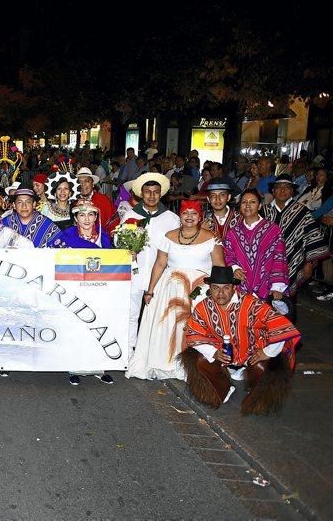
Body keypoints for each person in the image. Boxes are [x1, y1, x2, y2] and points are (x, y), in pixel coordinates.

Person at [179, 266, 301, 415]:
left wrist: (267, 352)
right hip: (223, 354)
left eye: (226, 288)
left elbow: (281, 325)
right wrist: (214, 353)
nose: (221, 293)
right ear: (210, 288)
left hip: (252, 352)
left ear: (234, 288)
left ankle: (255, 389)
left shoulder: (251, 303)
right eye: (216, 288)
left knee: (262, 367)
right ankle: (222, 387)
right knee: (201, 360)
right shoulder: (202, 307)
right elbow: (194, 334)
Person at [127, 200, 224, 380]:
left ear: (200, 216)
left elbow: (219, 266)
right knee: (168, 327)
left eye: (193, 213)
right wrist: (150, 291)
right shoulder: (168, 236)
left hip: (199, 291)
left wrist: (217, 292)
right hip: (169, 289)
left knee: (191, 328)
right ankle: (168, 363)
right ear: (179, 215)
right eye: (185, 212)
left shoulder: (212, 238)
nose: (189, 216)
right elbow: (160, 264)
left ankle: (193, 366)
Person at [49, 201, 114, 385]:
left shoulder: (104, 237)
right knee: (76, 325)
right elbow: (53, 259)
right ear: (76, 218)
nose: (87, 219)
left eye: (91, 214)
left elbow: (112, 262)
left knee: (98, 324)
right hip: (73, 287)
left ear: (96, 217)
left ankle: (99, 366)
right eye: (82, 215)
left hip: (99, 287)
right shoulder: (66, 236)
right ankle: (74, 365)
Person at [120, 172, 181, 358]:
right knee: (130, 313)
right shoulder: (130, 215)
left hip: (160, 275)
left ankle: (154, 354)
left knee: (157, 316)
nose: (152, 196)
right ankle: (130, 352)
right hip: (135, 273)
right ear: (141, 194)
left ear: (161, 193)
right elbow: (120, 242)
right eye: (148, 192)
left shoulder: (171, 218)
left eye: (155, 192)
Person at [262, 174, 329, 301]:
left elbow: (312, 238)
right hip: (264, 265)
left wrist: (309, 264)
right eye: (279, 187)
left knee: (286, 306)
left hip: (291, 263)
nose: (282, 190)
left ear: (292, 191)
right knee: (264, 302)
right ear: (273, 190)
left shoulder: (302, 212)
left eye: (287, 187)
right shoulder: (263, 212)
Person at [223, 189, 289, 301]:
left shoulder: (273, 230)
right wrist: (234, 269)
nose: (247, 205)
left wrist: (277, 286)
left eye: (252, 202)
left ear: (259, 206)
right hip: (239, 287)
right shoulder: (232, 233)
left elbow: (279, 257)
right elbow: (228, 255)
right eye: (244, 202)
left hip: (268, 288)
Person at [73, 166, 118, 233]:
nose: (83, 184)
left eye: (87, 181)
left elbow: (113, 223)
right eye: (80, 182)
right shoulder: (72, 202)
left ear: (93, 183)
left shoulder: (104, 200)